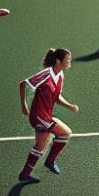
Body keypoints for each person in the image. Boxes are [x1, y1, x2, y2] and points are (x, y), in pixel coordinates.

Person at [17, 48, 79, 183]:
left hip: (45, 116)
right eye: (67, 59)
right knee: (63, 134)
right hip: (39, 116)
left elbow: (56, 96)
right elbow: (23, 84)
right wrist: (24, 106)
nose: (69, 62)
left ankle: (25, 174)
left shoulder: (60, 75)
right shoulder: (46, 74)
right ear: (58, 61)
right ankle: (49, 162)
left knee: (41, 146)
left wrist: (70, 106)